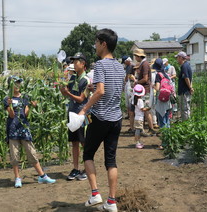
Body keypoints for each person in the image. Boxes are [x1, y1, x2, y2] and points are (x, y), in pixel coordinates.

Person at [78, 28, 125, 212]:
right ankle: (111, 202)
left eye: (96, 42)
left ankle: (95, 194)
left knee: (88, 154)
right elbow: (113, 91)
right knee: (111, 161)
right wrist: (94, 87)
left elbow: (101, 91)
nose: (95, 46)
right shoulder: (120, 67)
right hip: (116, 119)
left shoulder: (100, 65)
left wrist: (84, 108)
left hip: (100, 118)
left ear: (103, 44)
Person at [4, 76, 56, 188]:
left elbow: (26, 114)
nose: (17, 85)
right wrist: (9, 105)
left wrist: (32, 106)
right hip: (12, 129)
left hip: (24, 129)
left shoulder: (25, 97)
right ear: (10, 85)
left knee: (31, 152)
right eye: (15, 83)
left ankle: (42, 176)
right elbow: (12, 115)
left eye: (19, 83)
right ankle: (17, 178)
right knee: (14, 156)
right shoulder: (7, 99)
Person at [59, 52, 89, 181]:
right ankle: (76, 168)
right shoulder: (72, 78)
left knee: (84, 142)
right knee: (75, 143)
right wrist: (62, 84)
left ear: (83, 64)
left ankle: (88, 168)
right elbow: (65, 92)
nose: (73, 64)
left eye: (76, 61)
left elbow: (81, 99)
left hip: (82, 115)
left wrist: (68, 94)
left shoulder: (86, 80)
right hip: (72, 114)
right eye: (73, 62)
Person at [133, 49, 156, 136]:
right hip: (144, 89)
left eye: (136, 56)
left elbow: (145, 79)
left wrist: (137, 82)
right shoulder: (144, 64)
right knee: (144, 109)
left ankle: (151, 128)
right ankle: (146, 128)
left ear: (139, 56)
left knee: (145, 109)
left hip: (145, 90)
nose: (135, 58)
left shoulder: (145, 64)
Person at [153, 58, 173, 149]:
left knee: (162, 122)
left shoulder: (158, 75)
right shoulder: (167, 75)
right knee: (167, 121)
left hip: (161, 101)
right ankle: (169, 141)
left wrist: (152, 85)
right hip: (168, 100)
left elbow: (157, 88)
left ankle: (164, 144)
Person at [175, 51, 194, 121]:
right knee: (186, 108)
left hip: (184, 91)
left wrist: (190, 87)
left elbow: (186, 78)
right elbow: (190, 78)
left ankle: (186, 124)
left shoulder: (184, 66)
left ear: (181, 58)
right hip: (186, 90)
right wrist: (190, 88)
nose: (177, 59)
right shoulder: (187, 65)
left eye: (177, 58)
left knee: (184, 108)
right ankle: (187, 123)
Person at [132, 84, 150, 149]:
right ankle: (137, 142)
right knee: (138, 130)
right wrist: (148, 108)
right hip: (139, 118)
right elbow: (142, 109)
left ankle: (138, 141)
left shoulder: (134, 99)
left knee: (138, 130)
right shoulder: (140, 101)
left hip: (136, 117)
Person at [122, 56, 135, 134]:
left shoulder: (131, 66)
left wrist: (125, 80)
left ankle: (132, 127)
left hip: (130, 87)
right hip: (128, 86)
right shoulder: (128, 66)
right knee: (130, 107)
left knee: (131, 107)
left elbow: (127, 77)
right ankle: (132, 126)